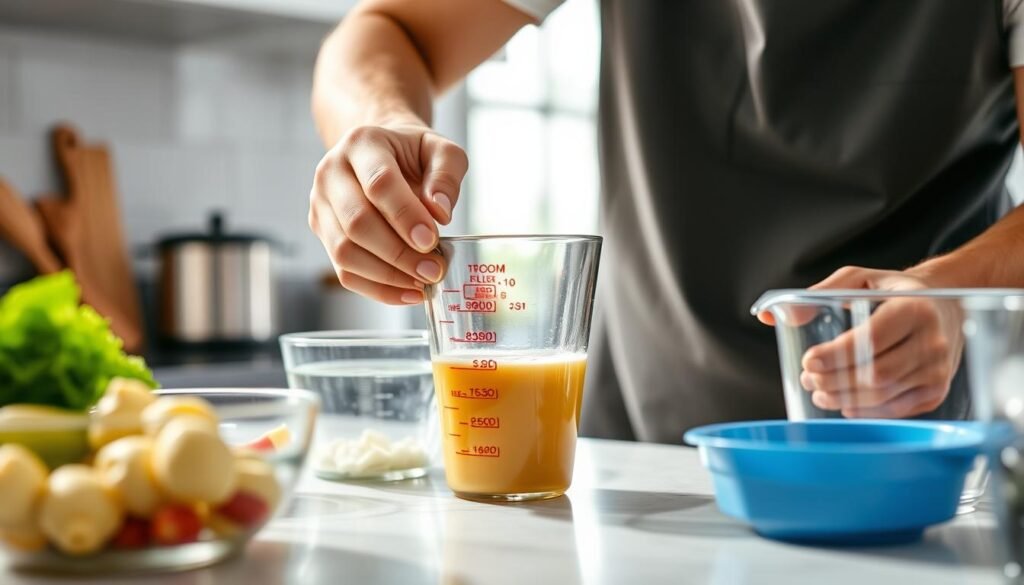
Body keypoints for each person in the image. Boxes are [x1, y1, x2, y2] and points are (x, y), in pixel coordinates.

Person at [307, 0, 1024, 443]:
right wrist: (379, 128)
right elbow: (386, 29)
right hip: (638, 451)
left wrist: (951, 290)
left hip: (926, 456)